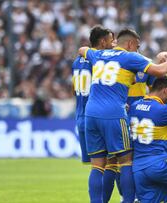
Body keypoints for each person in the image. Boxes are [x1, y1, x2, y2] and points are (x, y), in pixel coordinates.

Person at [78, 28, 167, 203]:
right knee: (126, 161)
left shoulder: (99, 54)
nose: (138, 50)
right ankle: (128, 200)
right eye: (137, 46)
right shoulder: (130, 57)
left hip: (91, 113)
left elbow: (82, 50)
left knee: (98, 166)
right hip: (113, 113)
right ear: (131, 44)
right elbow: (161, 70)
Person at [72, 25, 122, 203]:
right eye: (111, 40)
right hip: (99, 115)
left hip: (81, 116)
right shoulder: (99, 62)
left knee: (97, 167)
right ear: (102, 42)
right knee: (113, 163)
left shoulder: (77, 61)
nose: (114, 44)